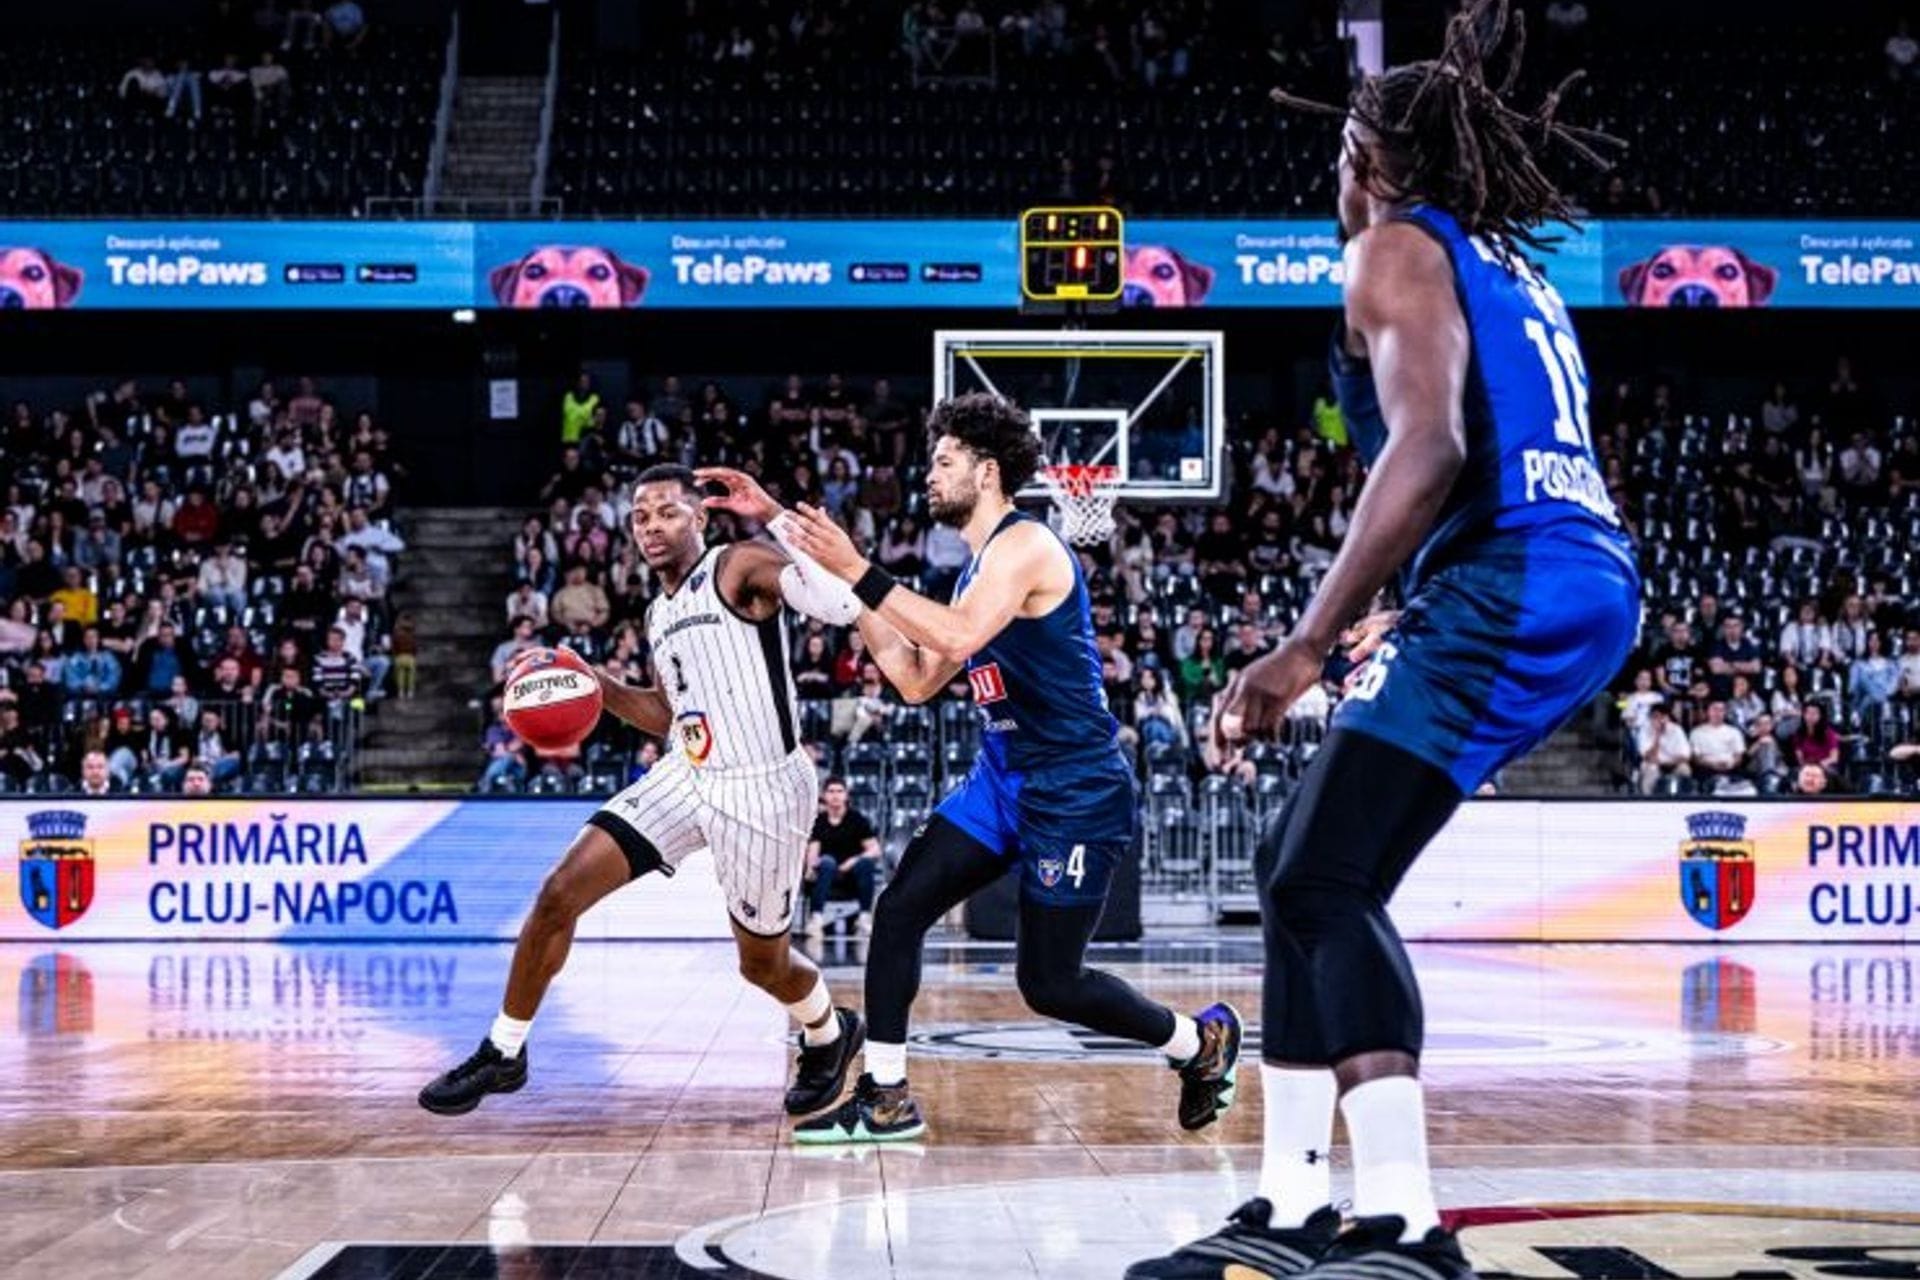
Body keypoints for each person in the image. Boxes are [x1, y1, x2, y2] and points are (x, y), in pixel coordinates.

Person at [1135, 4, 1641, 1272]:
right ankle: (1291, 1202)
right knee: (1298, 869)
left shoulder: (1394, 247)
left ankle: (1406, 1222)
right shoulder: (1504, 262)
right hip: (1562, 567)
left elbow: (1433, 446)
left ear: (1367, 158)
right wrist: (1399, 604)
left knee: (1324, 878)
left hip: (1517, 573)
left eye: (1341, 150)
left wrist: (1306, 641)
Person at [704, 394, 1243, 1148]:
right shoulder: (971, 576)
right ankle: (886, 1096)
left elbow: (955, 636)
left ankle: (1196, 1041)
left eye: (944, 461)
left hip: (1076, 786)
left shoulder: (1028, 547)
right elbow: (915, 678)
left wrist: (857, 568)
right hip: (1002, 780)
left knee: (1050, 984)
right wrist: (787, 532)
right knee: (899, 910)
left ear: (987, 472)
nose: (930, 474)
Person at [419, 464, 869, 1125]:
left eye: (667, 511)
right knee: (558, 892)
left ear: (700, 518)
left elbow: (841, 606)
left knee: (762, 965)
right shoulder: (660, 611)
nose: (651, 526)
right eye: (639, 516)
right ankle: (504, 1050)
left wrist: (771, 514)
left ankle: (829, 1032)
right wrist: (593, 683)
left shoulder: (740, 566)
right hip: (688, 771)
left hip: (763, 789)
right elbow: (666, 713)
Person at [803, 777, 882, 939]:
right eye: (831, 791)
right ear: (824, 796)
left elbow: (875, 850)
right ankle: (816, 919)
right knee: (827, 862)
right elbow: (813, 851)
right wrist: (810, 868)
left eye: (840, 791)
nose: (835, 795)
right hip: (825, 873)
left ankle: (864, 919)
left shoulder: (857, 819)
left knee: (865, 863)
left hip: (852, 875)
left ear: (846, 795)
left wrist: (853, 860)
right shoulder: (819, 821)